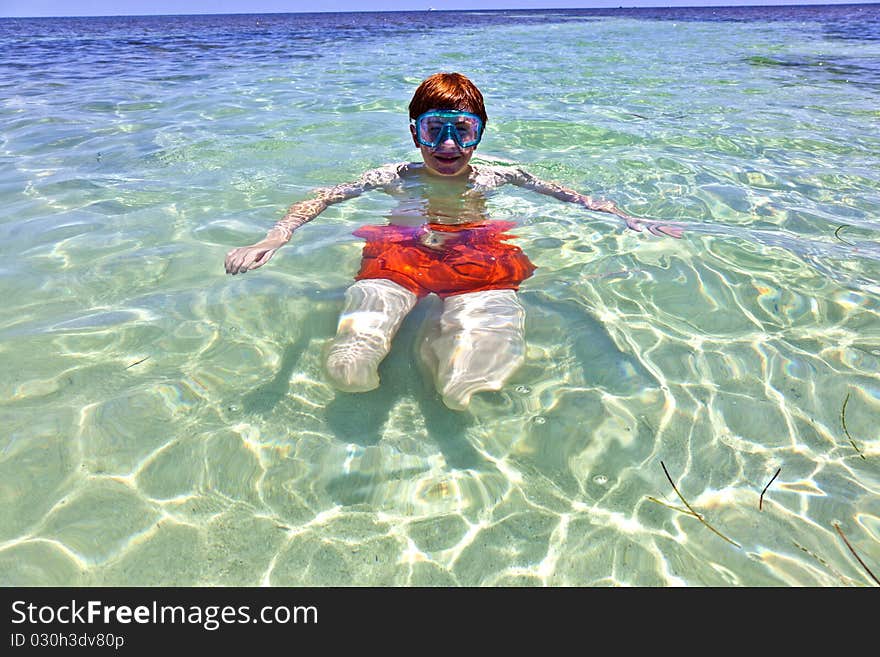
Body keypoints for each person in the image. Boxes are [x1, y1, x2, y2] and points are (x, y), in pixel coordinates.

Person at [225, 72, 682, 410]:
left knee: (468, 385)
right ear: (414, 133)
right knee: (348, 370)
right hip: (401, 256)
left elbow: (575, 198)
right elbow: (324, 198)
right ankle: (407, 345)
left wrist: (629, 218)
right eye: (433, 130)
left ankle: (439, 352)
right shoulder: (392, 177)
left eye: (462, 130)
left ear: (479, 133)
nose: (448, 145)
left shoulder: (501, 175)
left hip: (478, 258)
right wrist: (277, 235)